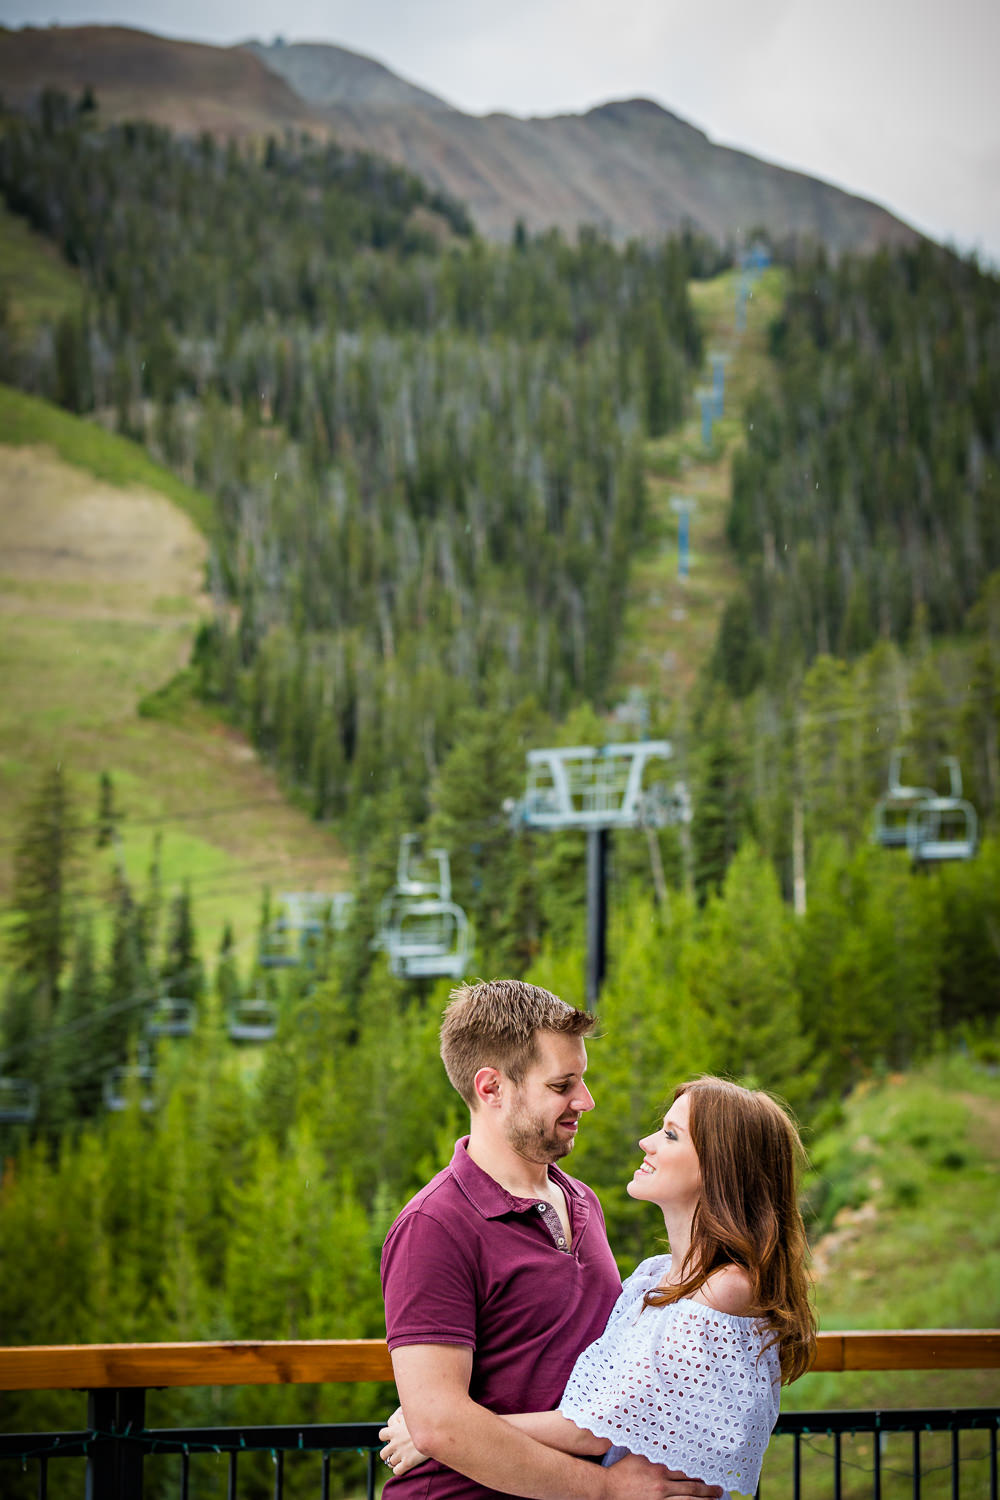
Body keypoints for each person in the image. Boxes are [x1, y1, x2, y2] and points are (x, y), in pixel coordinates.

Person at [382, 1072, 817, 1500]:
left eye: (670, 1135)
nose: (646, 1142)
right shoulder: (658, 1275)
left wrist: (438, 1432)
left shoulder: (725, 1289)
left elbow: (595, 1428)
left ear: (720, 1164)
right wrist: (440, 1426)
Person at [379, 979, 722, 1500]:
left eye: (581, 1080)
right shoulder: (434, 1226)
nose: (585, 1100)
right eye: (562, 1085)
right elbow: (438, 1425)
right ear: (491, 1087)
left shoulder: (583, 1200)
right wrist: (607, 1490)